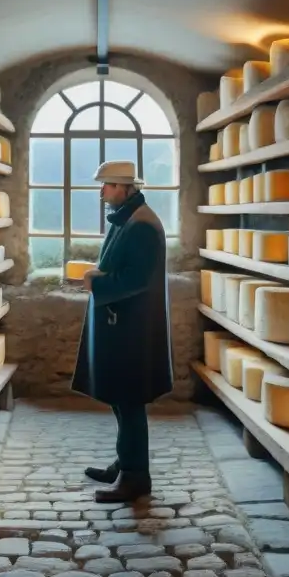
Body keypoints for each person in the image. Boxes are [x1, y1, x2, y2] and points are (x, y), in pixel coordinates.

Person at [70, 160, 173, 502]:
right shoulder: (129, 216)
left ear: (125, 188)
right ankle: (125, 462)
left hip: (133, 329)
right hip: (123, 324)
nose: (102, 193)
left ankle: (135, 477)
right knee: (121, 400)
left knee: (129, 402)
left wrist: (95, 282)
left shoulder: (141, 225)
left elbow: (136, 281)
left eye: (107, 186)